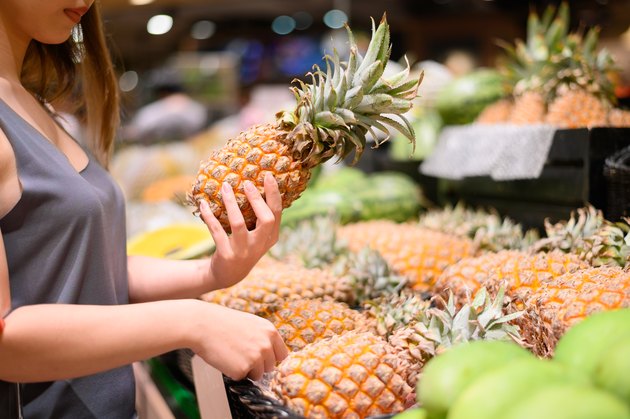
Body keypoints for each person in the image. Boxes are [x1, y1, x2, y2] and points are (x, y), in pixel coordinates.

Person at [0, 1, 288, 418]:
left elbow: (93, 273)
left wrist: (212, 273)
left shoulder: (32, 105)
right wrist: (192, 321)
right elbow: (5, 343)